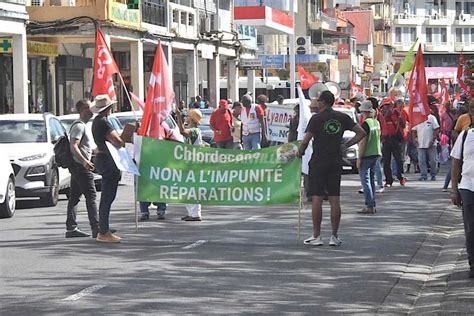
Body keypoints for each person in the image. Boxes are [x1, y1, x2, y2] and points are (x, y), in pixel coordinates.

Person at [297, 91, 366, 246]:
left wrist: (299, 152)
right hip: (335, 161)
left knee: (317, 198)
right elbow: (361, 132)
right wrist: (345, 145)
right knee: (335, 199)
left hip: (319, 161)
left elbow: (306, 140)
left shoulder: (316, 119)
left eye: (319, 100)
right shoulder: (342, 117)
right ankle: (334, 236)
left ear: (322, 102)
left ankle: (317, 235)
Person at [91, 95, 124, 243]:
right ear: (107, 108)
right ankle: (103, 231)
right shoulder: (103, 122)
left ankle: (104, 227)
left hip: (104, 160)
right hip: (107, 161)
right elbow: (117, 141)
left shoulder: (98, 122)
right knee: (107, 197)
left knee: (107, 196)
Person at [65, 100, 99, 238]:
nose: (92, 111)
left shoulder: (84, 125)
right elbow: (74, 146)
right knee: (91, 196)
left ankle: (71, 228)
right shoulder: (79, 126)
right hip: (80, 166)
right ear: (83, 110)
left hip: (78, 166)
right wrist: (85, 161)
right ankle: (97, 228)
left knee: (74, 197)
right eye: (90, 108)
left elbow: (87, 147)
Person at [450, 126, 474, 278]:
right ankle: (473, 264)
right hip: (468, 186)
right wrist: (454, 189)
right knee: (471, 229)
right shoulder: (465, 135)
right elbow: (456, 163)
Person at [175, 108, 203, 221]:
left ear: (191, 119)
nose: (186, 118)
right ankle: (191, 212)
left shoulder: (195, 131)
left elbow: (182, 132)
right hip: (189, 162)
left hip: (194, 163)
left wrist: (179, 116)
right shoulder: (192, 130)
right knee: (187, 188)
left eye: (187, 116)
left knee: (193, 188)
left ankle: (195, 214)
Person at [357, 101, 382, 215]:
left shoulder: (365, 124)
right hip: (376, 153)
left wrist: (359, 158)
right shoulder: (376, 122)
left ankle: (369, 205)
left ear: (363, 112)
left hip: (367, 154)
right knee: (371, 180)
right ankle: (372, 204)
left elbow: (363, 142)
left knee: (365, 181)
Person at [380, 97, 407, 187]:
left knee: (399, 160)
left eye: (389, 105)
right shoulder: (380, 116)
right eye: (386, 106)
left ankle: (401, 177)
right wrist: (385, 115)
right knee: (386, 161)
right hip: (386, 140)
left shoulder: (396, 113)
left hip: (395, 139)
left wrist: (400, 118)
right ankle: (388, 180)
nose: (388, 108)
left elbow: (403, 125)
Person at [412, 112, 440, 181]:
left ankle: (433, 174)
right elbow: (413, 130)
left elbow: (436, 129)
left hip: (431, 143)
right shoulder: (417, 118)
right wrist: (414, 139)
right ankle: (423, 175)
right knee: (421, 160)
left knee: (433, 160)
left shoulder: (431, 118)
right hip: (420, 143)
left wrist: (433, 140)